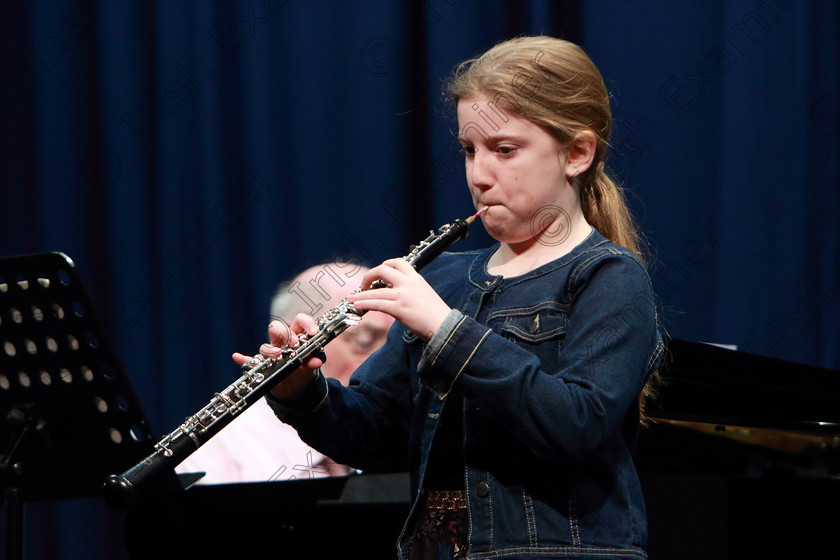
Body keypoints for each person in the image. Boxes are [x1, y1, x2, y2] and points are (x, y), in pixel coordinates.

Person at [235, 36, 663, 559]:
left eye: (505, 150)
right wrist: (301, 389)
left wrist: (445, 329)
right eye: (469, 150)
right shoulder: (446, 277)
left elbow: (574, 425)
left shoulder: (609, 276)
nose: (480, 175)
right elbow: (376, 434)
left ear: (576, 153)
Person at [176, 262, 394, 484]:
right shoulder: (218, 454)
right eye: (366, 340)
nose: (386, 362)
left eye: (394, 345)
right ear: (296, 339)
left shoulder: (403, 436)